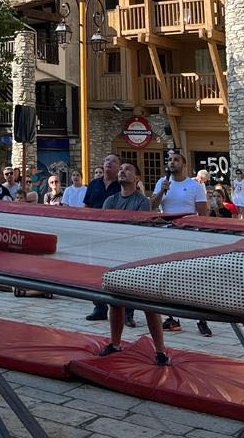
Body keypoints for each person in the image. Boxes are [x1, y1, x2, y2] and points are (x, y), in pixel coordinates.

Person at [100, 162, 168, 365]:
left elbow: (136, 228)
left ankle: (160, 350)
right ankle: (115, 343)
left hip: (137, 257)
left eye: (128, 169)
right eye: (121, 168)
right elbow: (104, 227)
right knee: (116, 302)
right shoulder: (110, 200)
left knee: (149, 306)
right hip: (114, 255)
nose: (122, 171)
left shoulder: (142, 202)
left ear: (137, 178)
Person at [151, 152, 210, 335]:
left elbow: (203, 213)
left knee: (193, 278)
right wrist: (162, 190)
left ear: (184, 164)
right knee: (168, 276)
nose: (172, 162)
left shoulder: (195, 186)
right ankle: (171, 318)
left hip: (189, 236)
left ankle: (201, 318)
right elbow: (152, 206)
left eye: (176, 160)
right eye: (169, 160)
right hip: (168, 236)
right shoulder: (162, 182)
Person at [83, 154, 121, 322]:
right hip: (94, 233)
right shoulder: (93, 184)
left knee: (119, 271)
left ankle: (126, 312)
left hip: (116, 235)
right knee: (94, 271)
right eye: (106, 160)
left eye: (113, 161)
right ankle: (99, 307)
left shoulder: (122, 186)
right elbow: (87, 206)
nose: (109, 163)